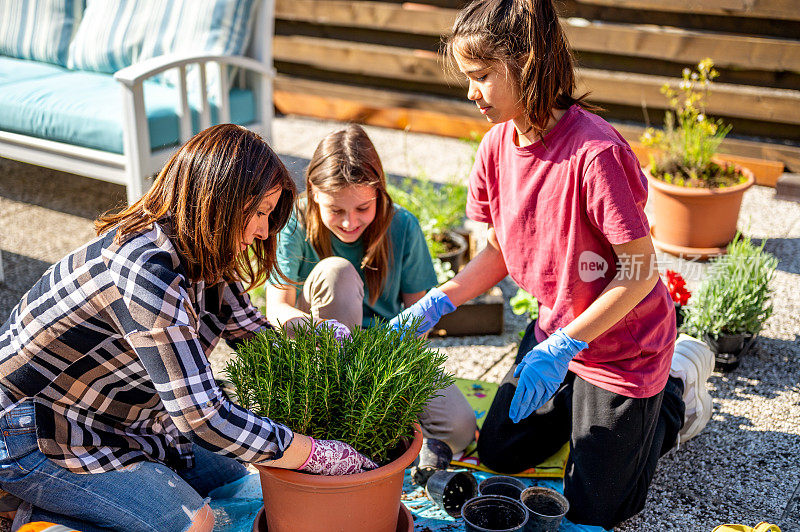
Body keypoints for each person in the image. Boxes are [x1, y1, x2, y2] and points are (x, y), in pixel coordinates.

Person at [389, 0, 714, 527]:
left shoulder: (595, 154)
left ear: (530, 64)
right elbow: (498, 251)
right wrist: (437, 302)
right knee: (499, 450)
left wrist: (568, 345)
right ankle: (584, 403)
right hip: (555, 335)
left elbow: (641, 271)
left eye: (481, 76)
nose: (471, 92)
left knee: (598, 507)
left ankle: (674, 388)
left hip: (620, 347)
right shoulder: (495, 146)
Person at [0, 124, 376, 532]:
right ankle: (20, 513)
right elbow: (204, 418)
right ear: (222, 201)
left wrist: (314, 352)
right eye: (261, 213)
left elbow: (252, 336)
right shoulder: (145, 272)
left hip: (123, 418)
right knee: (194, 522)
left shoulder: (204, 250)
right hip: (34, 432)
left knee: (234, 480)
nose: (264, 231)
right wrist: (316, 455)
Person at [265, 124, 477, 484]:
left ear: (379, 192)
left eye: (363, 207)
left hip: (384, 352)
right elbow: (276, 307)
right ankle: (341, 415)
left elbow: (418, 317)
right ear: (313, 192)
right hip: (322, 352)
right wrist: (315, 329)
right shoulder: (294, 223)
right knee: (337, 271)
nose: (350, 222)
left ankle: (376, 422)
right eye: (336, 210)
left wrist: (391, 377)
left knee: (460, 428)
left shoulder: (402, 226)